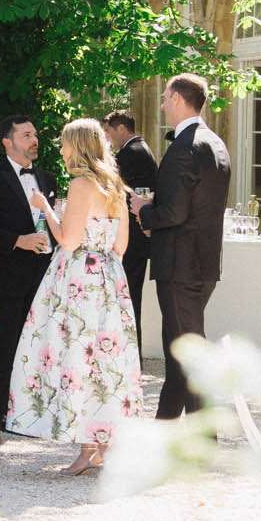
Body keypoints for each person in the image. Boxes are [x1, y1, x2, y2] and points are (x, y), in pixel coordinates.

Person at [6, 121, 145, 473]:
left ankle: (87, 449)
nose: (62, 150)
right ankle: (103, 446)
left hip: (79, 280)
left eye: (65, 144)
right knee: (104, 364)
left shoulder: (81, 184)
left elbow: (67, 240)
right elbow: (121, 246)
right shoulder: (115, 185)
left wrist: (45, 208)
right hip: (110, 280)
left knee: (77, 357)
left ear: (78, 147)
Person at [132, 74, 232, 419]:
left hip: (181, 264)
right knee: (178, 345)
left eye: (164, 98)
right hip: (202, 263)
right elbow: (193, 204)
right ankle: (166, 421)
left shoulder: (184, 147)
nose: (161, 105)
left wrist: (143, 210)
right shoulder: (215, 142)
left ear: (177, 99)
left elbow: (174, 212)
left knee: (189, 351)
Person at [0, 113, 58, 445]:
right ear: (7, 142)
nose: (34, 140)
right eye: (26, 135)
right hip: (10, 277)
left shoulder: (47, 177)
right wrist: (18, 240)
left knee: (39, 347)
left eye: (35, 134)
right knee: (4, 348)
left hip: (44, 277)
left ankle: (30, 415)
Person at [102, 111, 158, 349]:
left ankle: (129, 352)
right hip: (136, 235)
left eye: (109, 132)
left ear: (122, 128)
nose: (108, 138)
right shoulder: (140, 149)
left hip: (133, 237)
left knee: (127, 296)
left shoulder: (130, 153)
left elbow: (115, 192)